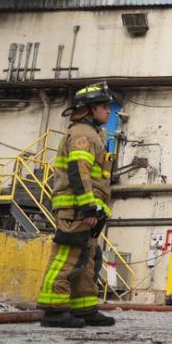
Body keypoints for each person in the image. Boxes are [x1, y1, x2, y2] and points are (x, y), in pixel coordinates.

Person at [37, 83, 116, 328]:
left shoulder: (94, 135)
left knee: (87, 258)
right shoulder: (83, 135)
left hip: (84, 208)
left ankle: (84, 308)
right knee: (66, 257)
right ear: (91, 109)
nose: (108, 112)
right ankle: (53, 310)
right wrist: (87, 208)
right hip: (75, 209)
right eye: (104, 107)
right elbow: (78, 172)